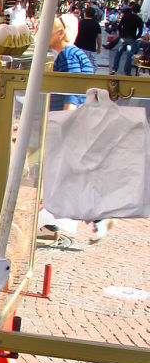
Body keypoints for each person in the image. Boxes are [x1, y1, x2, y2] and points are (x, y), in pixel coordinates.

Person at [39, 14, 111, 244]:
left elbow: (72, 88)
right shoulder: (75, 54)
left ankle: (89, 216)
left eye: (49, 28)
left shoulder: (68, 55)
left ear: (61, 33)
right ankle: (60, 221)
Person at [111, 0, 142, 74]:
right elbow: (140, 31)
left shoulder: (125, 16)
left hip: (123, 38)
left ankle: (114, 69)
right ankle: (127, 71)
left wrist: (121, 34)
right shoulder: (139, 19)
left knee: (118, 54)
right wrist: (136, 37)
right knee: (129, 56)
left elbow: (119, 26)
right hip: (132, 38)